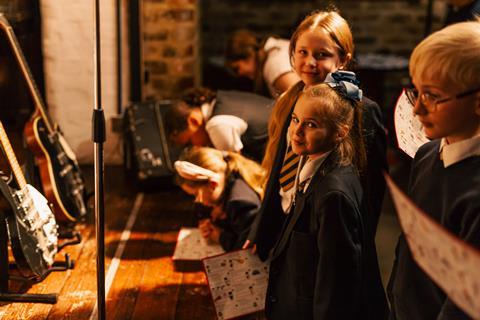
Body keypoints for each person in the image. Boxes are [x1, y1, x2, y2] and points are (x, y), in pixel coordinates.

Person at [248, 9, 387, 260]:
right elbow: (280, 168)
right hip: (286, 219)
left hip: (324, 233)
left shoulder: (362, 110)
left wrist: (360, 246)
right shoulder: (293, 97)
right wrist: (261, 229)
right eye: (303, 52)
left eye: (321, 55)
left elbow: (371, 189)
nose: (310, 62)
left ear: (343, 59)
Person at [265, 79, 388, 319]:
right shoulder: (313, 164)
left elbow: (337, 284)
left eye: (311, 124)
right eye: (295, 119)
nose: (297, 131)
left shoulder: (333, 195)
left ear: (340, 132)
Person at [388, 19, 480, 320]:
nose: (417, 110)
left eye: (433, 95)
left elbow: (466, 302)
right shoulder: (428, 154)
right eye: (417, 92)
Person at [174, 146, 265, 251]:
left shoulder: (240, 203)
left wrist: (220, 237)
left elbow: (245, 250)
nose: (197, 201)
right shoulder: (230, 179)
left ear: (213, 185)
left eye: (195, 195)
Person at [165, 87, 274, 163]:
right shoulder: (220, 100)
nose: (195, 149)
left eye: (189, 143)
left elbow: (239, 168)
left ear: (193, 121)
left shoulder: (217, 125)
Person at [225, 29, 301, 97]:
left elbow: (301, 98)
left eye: (237, 68)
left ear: (248, 54)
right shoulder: (274, 50)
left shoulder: (274, 64)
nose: (240, 74)